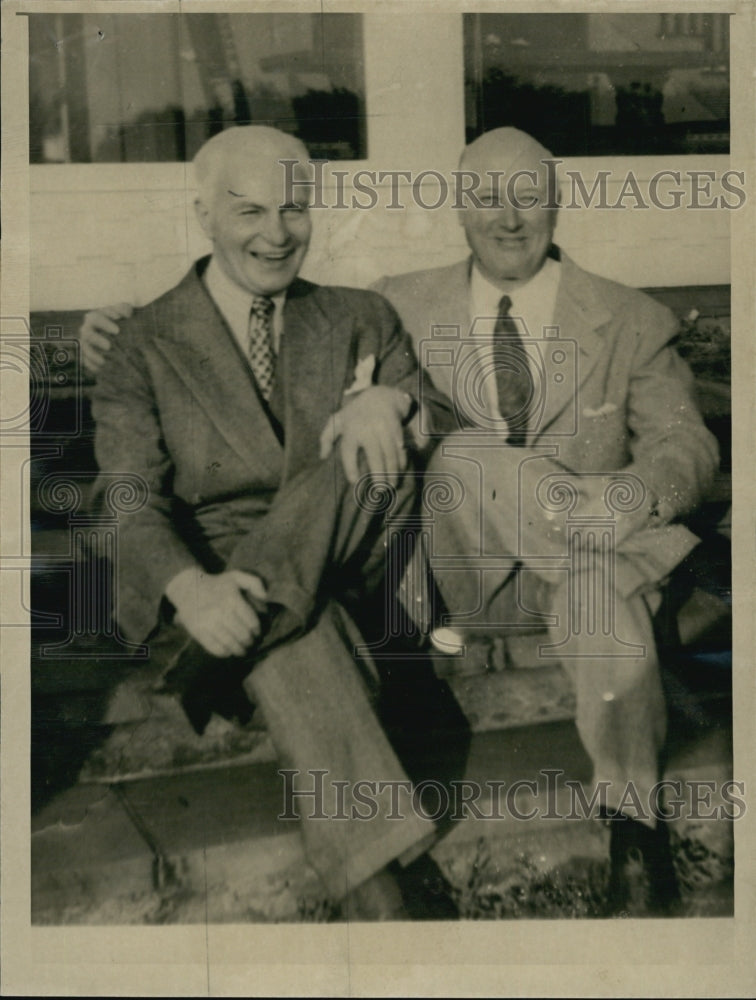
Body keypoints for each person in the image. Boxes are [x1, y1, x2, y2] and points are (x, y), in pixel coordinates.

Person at [81, 126, 719, 916]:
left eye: (528, 195)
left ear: (559, 204)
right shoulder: (387, 301)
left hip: (569, 553)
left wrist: (606, 499)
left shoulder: (616, 316)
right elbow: (142, 475)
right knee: (428, 486)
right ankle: (389, 891)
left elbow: (684, 444)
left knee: (568, 560)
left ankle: (633, 829)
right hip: (431, 567)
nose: (508, 217)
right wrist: (190, 584)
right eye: (486, 195)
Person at [87, 125, 460, 921]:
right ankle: (380, 899)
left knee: (368, 450)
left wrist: (386, 401)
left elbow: (438, 413)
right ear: (204, 217)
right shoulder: (142, 342)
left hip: (344, 553)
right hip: (217, 571)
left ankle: (243, 621)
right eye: (250, 210)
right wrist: (190, 588)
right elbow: (124, 496)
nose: (276, 233)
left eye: (294, 209)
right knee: (301, 640)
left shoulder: (360, 315)